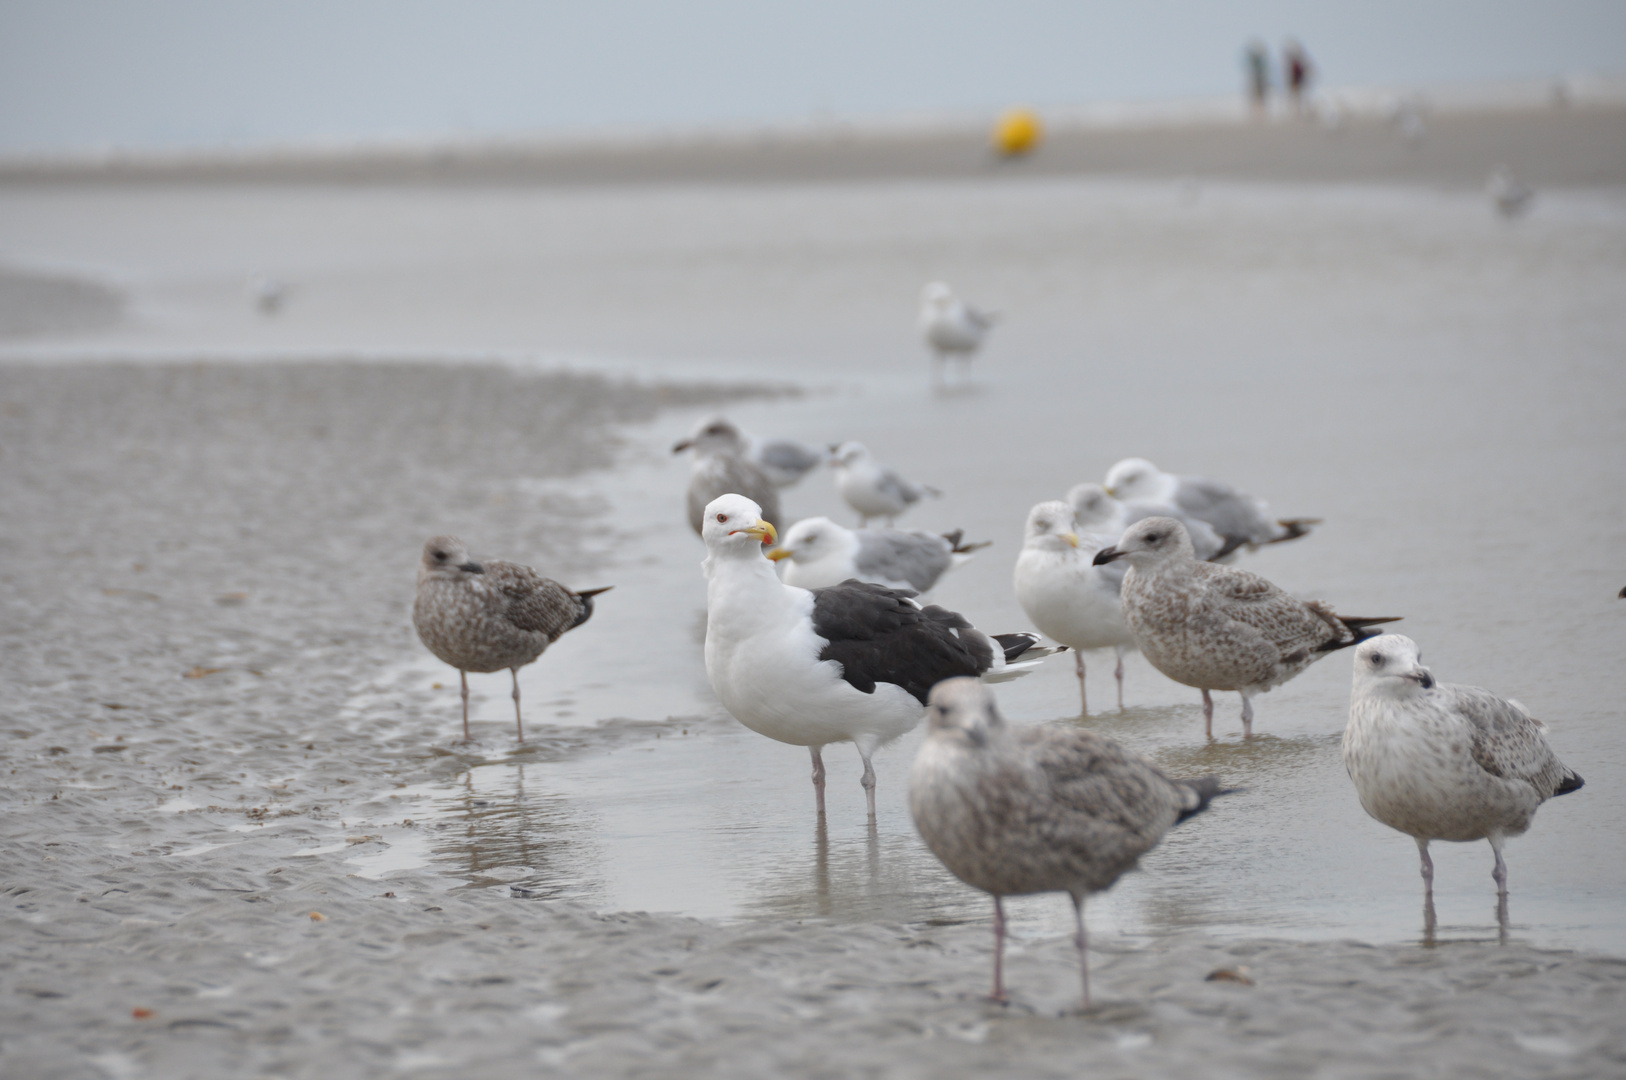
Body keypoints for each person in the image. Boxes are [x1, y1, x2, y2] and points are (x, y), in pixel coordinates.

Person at [1283, 38, 1313, 116]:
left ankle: (1300, 112)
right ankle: (1294, 112)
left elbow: (1305, 70)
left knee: (1300, 98)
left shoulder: (1298, 63)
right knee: (1295, 98)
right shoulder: (1294, 63)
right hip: (1295, 82)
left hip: (1298, 82)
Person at [1244, 39, 1270, 118]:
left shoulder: (1259, 61)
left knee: (1260, 96)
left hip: (1259, 79)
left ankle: (1259, 112)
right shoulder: (1255, 61)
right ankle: (1255, 113)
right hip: (1256, 78)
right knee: (1255, 96)